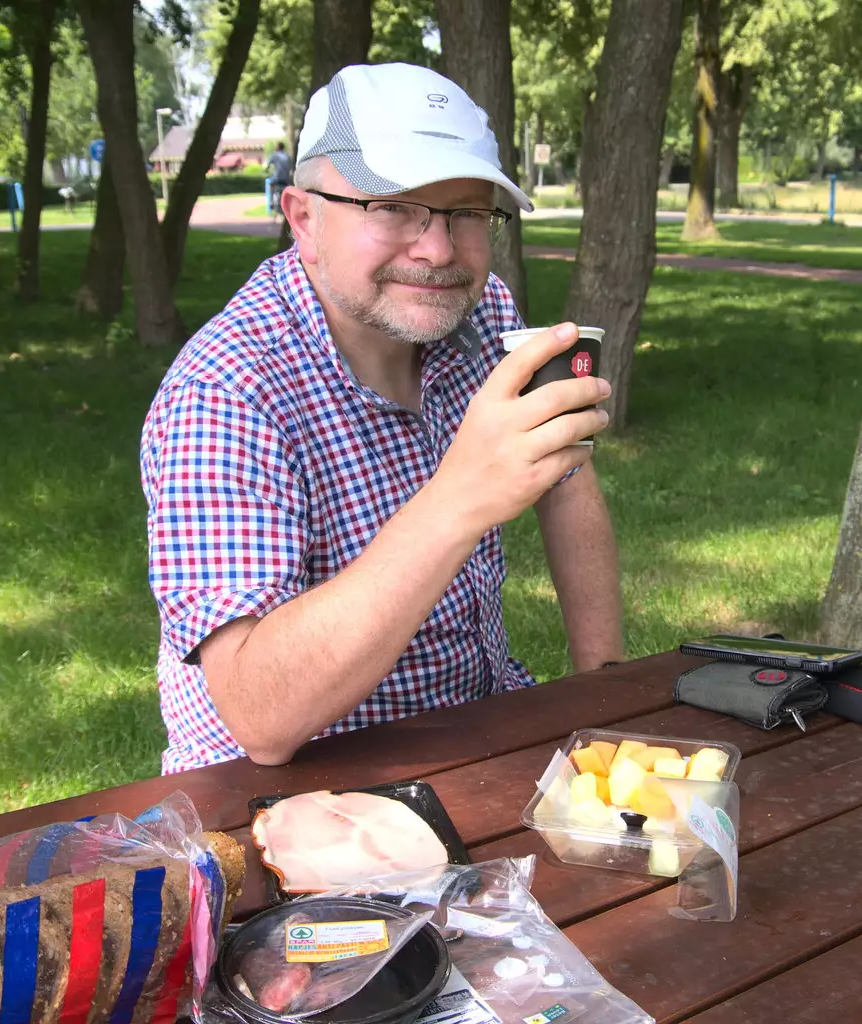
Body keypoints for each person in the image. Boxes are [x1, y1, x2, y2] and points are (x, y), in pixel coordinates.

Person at [140, 63, 623, 771]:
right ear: (303, 218)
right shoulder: (225, 391)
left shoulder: (482, 310)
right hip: (289, 796)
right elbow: (259, 716)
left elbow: (567, 474)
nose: (438, 251)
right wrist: (460, 498)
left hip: (477, 729)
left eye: (466, 212)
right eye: (394, 208)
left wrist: (605, 701)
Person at [265, 142, 293, 215]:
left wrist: (266, 170)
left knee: (271, 185)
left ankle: (271, 202)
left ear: (277, 148)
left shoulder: (274, 155)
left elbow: (268, 166)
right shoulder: (288, 156)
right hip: (285, 179)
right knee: (288, 188)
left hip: (277, 178)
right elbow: (291, 168)